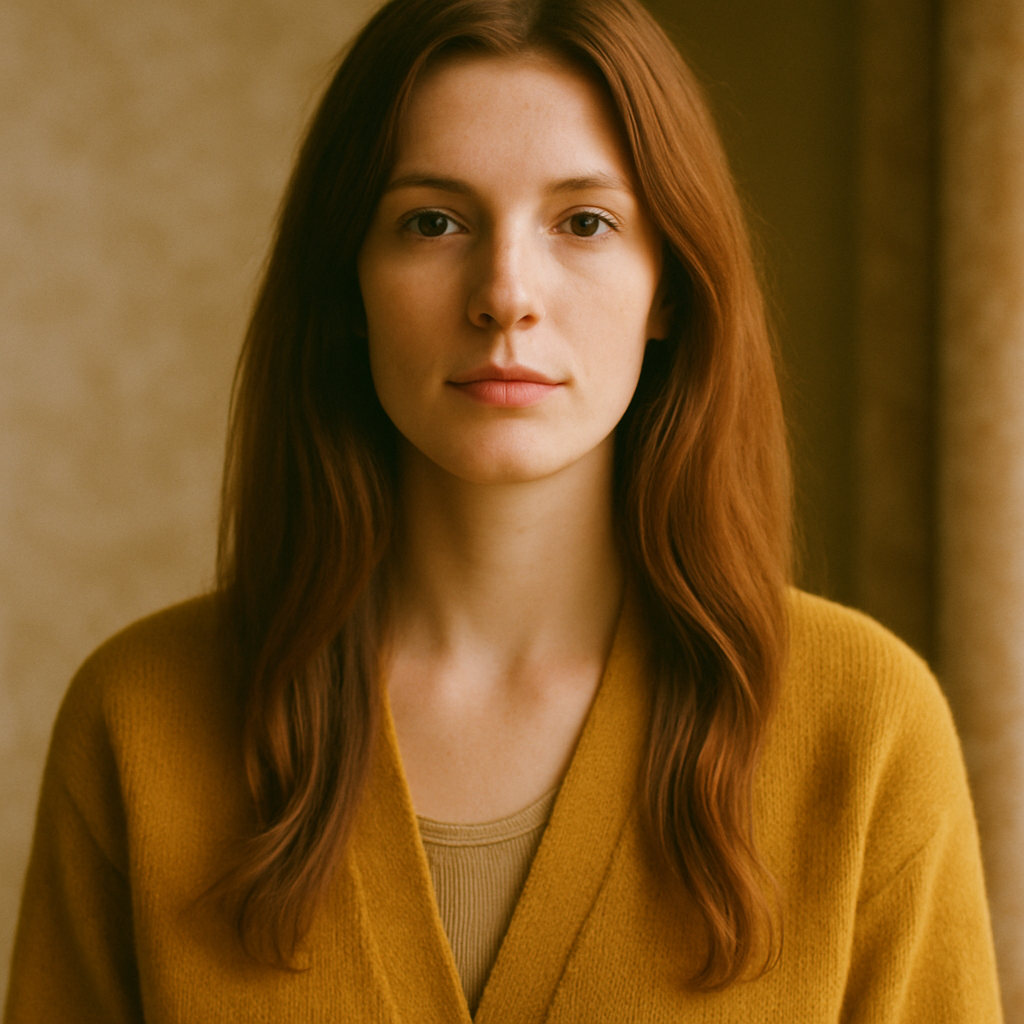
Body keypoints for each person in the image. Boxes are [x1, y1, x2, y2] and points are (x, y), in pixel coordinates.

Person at [4, 0, 1004, 1019]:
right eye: (432, 221)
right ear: (347, 285)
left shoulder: (865, 727)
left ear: (671, 287)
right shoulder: (139, 722)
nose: (505, 293)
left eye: (584, 222)